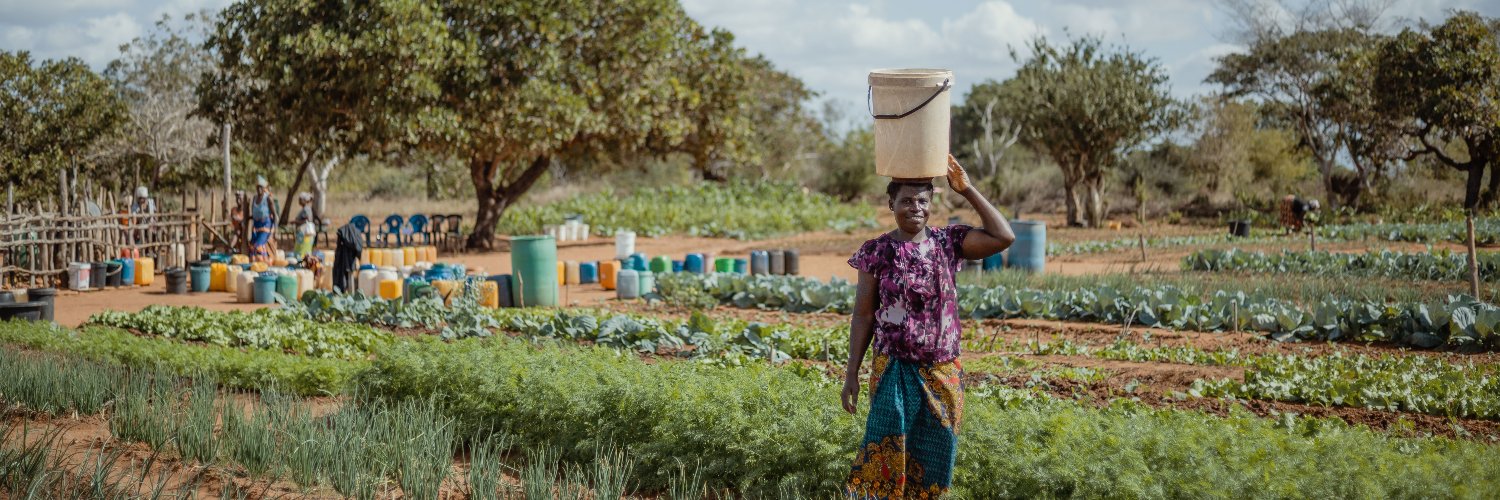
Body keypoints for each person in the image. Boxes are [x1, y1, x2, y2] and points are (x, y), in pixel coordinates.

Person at [843, 155, 1014, 498]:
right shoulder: (876, 252)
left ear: (932, 204)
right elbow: (863, 315)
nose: (914, 208)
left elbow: (1003, 236)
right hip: (893, 370)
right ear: (891, 203)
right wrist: (851, 374)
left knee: (936, 461)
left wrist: (967, 190)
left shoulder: (949, 243)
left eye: (922, 201)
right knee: (884, 454)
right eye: (906, 201)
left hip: (942, 374)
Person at [249, 176, 279, 264]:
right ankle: (254, 267)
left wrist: (276, 231)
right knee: (251, 246)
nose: (259, 189)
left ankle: (264, 266)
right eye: (257, 187)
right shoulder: (254, 198)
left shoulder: (268, 199)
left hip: (265, 227)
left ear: (264, 188)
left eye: (261, 187)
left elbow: (275, 216)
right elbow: (253, 215)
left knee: (258, 246)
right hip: (256, 227)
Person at [293, 192, 316, 258]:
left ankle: (301, 262)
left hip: (304, 233)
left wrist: (296, 221)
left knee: (302, 249)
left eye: (300, 199)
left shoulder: (306, 209)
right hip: (304, 233)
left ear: (304, 200)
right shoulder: (305, 208)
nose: (299, 201)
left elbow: (307, 220)